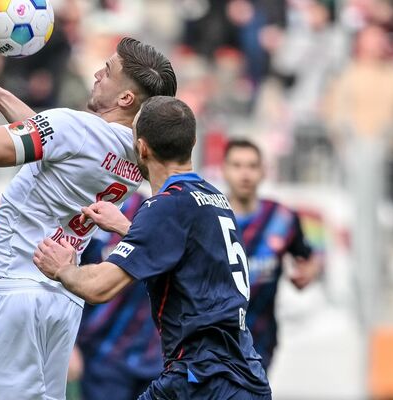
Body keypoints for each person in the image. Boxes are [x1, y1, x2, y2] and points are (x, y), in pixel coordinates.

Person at [0, 37, 177, 400]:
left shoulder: (74, 128)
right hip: (62, 298)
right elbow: (66, 149)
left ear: (126, 99)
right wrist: (2, 100)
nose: (96, 74)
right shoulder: (136, 154)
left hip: (13, 287)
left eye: (107, 72)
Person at [33, 96, 272, 399]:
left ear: (142, 149)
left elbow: (99, 288)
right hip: (245, 376)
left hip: (200, 379)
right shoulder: (213, 198)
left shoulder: (165, 206)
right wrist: (125, 227)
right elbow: (183, 251)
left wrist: (62, 269)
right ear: (192, 142)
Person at [222, 139, 322, 370]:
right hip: (214, 342)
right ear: (224, 170)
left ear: (263, 171)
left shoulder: (281, 218)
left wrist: (309, 272)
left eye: (252, 166)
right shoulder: (209, 216)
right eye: (237, 165)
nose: (244, 174)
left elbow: (308, 258)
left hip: (261, 339)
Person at [74, 192, 163, 400]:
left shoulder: (151, 211)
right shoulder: (84, 210)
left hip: (152, 358)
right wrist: (70, 346)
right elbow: (66, 280)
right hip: (102, 355)